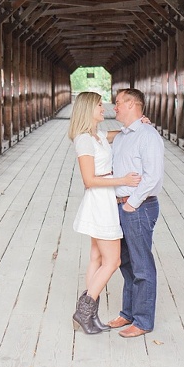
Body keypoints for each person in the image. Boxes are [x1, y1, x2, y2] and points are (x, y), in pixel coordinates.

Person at [67, 91, 142, 335]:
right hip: (99, 203)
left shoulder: (96, 135)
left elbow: (117, 134)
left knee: (97, 259)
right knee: (113, 261)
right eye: (99, 105)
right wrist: (122, 180)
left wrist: (137, 124)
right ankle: (84, 311)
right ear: (88, 108)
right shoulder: (84, 140)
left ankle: (90, 316)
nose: (105, 108)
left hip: (104, 201)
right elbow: (89, 180)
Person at [108, 88, 165, 338]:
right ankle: (128, 313)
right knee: (126, 262)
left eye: (118, 102)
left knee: (142, 264)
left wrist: (132, 202)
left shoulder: (147, 135)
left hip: (138, 207)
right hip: (119, 206)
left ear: (132, 104)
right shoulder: (121, 136)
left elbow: (153, 175)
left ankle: (142, 321)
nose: (114, 107)